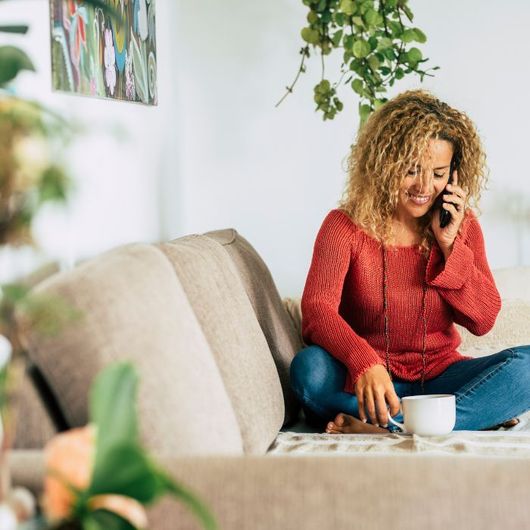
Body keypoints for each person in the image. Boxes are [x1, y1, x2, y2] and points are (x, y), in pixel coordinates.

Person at [290, 89, 530, 434]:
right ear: (385, 165)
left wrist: (449, 245)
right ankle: (460, 419)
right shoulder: (344, 226)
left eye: (438, 173)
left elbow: (483, 319)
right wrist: (364, 362)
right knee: (307, 370)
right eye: (412, 170)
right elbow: (317, 311)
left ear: (454, 175)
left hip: (443, 380)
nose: (425, 186)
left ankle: (390, 427)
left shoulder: (462, 226)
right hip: (372, 384)